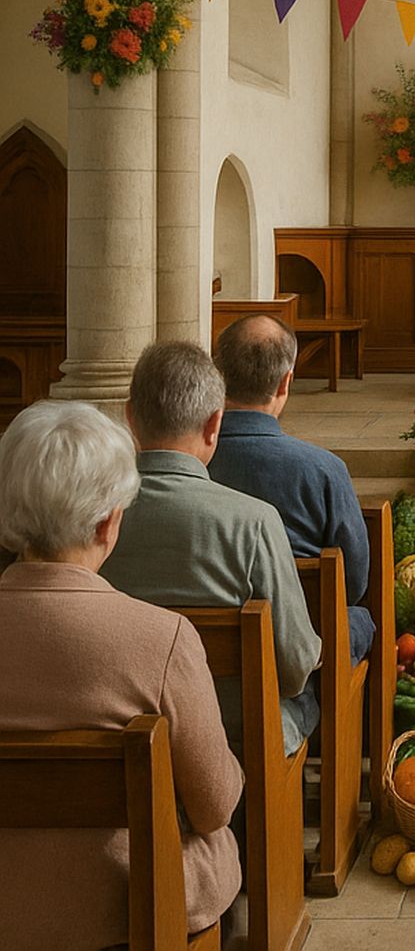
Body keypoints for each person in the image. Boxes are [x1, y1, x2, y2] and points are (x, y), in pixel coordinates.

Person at [0, 400, 243, 947]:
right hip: (119, 908)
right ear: (109, 521)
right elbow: (214, 804)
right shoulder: (160, 637)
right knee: (216, 841)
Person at [103, 339, 321, 755]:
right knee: (307, 698)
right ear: (213, 424)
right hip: (234, 731)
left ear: (130, 418)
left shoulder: (97, 522)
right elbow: (293, 670)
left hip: (123, 724)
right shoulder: (253, 521)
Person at [211, 313, 373, 665]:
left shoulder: (194, 462)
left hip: (203, 646)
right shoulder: (323, 470)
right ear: (286, 382)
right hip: (299, 654)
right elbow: (354, 583)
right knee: (360, 621)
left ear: (218, 375)